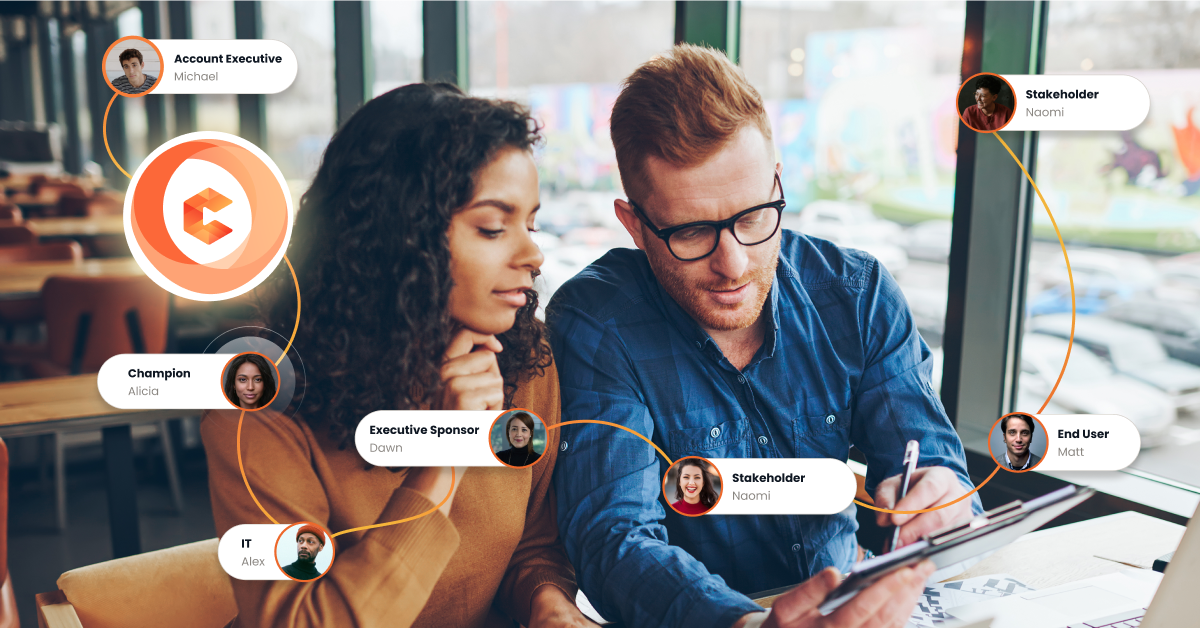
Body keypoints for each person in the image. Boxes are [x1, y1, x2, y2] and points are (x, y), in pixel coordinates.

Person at [547, 45, 977, 628]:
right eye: (694, 231)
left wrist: (941, 498)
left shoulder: (855, 293)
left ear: (777, 182)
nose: (734, 263)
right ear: (634, 226)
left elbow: (937, 466)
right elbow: (614, 540)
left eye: (753, 217)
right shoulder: (598, 320)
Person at [201, 83, 591, 627]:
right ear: (400, 235)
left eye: (530, 223)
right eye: (493, 227)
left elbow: (531, 545)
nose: (533, 254)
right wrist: (443, 459)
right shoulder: (259, 405)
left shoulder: (523, 359)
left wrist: (547, 602)